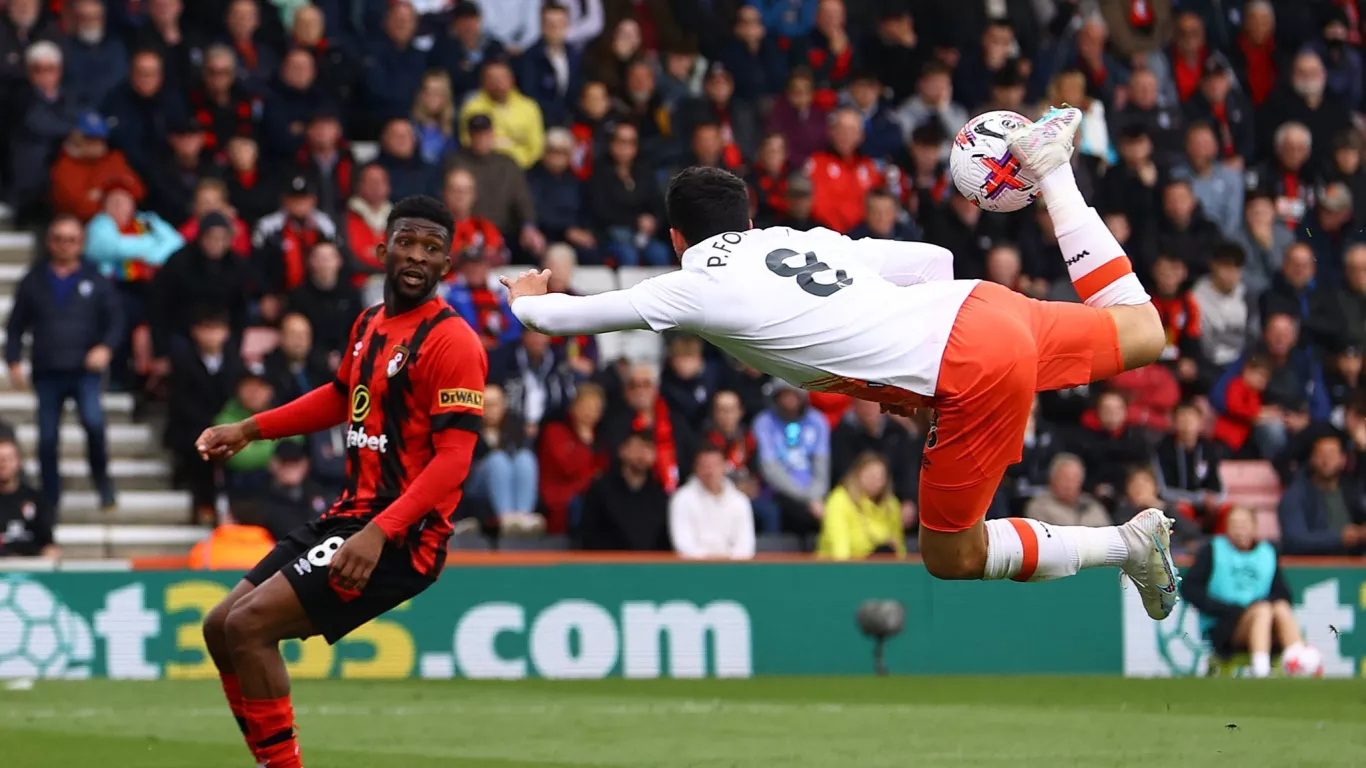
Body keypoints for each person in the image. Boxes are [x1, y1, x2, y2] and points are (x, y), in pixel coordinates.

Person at [503, 107, 1182, 620]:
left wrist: (525, 295)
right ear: (745, 220)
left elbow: (559, 316)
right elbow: (933, 262)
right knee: (1145, 331)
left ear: (679, 237)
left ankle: (1127, 543)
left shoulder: (689, 283)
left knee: (953, 555)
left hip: (967, 365)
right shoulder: (792, 237)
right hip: (979, 304)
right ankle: (1056, 174)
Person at [195, 195, 487, 768]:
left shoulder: (453, 342)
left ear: (446, 267)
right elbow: (337, 397)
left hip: (402, 535)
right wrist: (251, 428)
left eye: (432, 249)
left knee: (250, 626)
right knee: (218, 627)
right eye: (407, 242)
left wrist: (379, 532)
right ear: (382, 250)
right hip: (350, 515)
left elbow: (454, 459)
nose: (416, 257)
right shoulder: (368, 325)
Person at [6, 216, 123, 511]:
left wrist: (105, 347)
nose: (64, 245)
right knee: (47, 438)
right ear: (49, 241)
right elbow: (16, 324)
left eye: (71, 239)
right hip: (47, 370)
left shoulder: (95, 278)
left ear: (81, 243)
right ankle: (50, 496)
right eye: (59, 238)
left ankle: (102, 480)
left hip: (85, 369)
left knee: (94, 425)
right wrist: (13, 359)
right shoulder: (34, 279)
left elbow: (116, 319)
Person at [1181, 506, 1308, 677]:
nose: (1239, 530)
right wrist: (1222, 608)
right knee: (1262, 611)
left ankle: (1300, 663)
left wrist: (1268, 603)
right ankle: (1261, 670)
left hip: (1266, 618)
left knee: (1280, 608)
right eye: (1234, 525)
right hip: (1224, 623)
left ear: (1254, 527)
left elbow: (1283, 593)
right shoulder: (1213, 551)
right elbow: (1190, 588)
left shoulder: (1267, 553)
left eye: (1244, 524)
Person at [669, 446, 756, 559]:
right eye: (705, 466)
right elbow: (683, 545)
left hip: (733, 570)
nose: (710, 471)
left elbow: (746, 546)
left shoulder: (740, 501)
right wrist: (710, 562)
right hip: (694, 570)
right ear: (696, 469)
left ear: (724, 467)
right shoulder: (682, 499)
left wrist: (727, 562)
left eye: (715, 465)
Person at [818, 452, 906, 560]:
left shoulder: (892, 505)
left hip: (881, 569)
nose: (876, 481)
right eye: (870, 475)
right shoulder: (839, 500)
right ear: (857, 474)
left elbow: (899, 549)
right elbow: (839, 549)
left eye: (880, 477)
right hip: (841, 570)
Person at [0, 436, 56, 559]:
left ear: (18, 462)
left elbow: (48, 544)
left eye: (8, 459)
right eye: (0, 459)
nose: (3, 464)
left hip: (32, 565)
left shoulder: (36, 499)